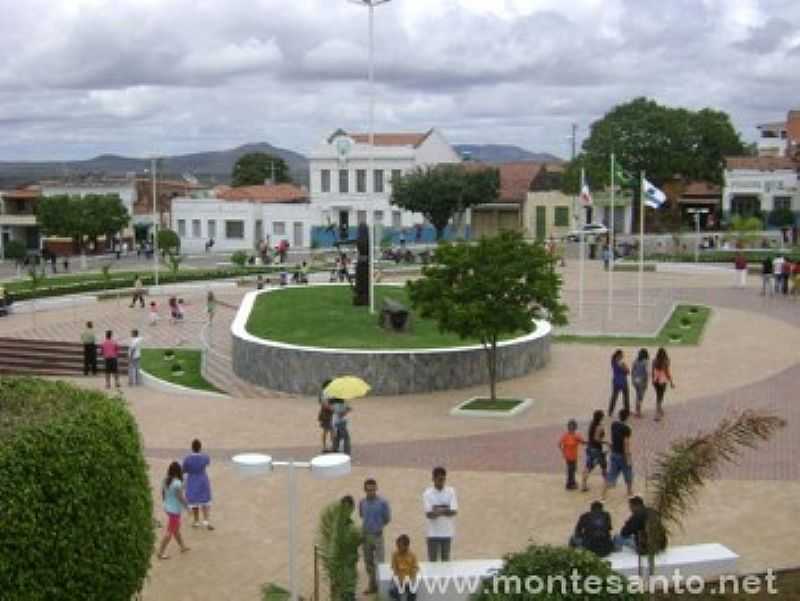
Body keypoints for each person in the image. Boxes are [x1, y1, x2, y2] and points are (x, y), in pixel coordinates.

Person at [359, 478, 392, 594]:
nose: (371, 492)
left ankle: (380, 587)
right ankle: (372, 585)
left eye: (373, 490)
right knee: (368, 563)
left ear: (376, 489)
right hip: (366, 536)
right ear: (364, 490)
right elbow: (361, 515)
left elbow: (387, 519)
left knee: (380, 563)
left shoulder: (383, 503)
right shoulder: (362, 502)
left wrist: (378, 526)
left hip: (378, 536)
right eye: (368, 490)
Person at [423, 466, 458, 562]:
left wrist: (437, 509)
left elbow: (453, 511)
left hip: (447, 533)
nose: (441, 482)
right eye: (439, 479)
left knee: (446, 562)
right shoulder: (427, 493)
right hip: (432, 533)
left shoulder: (451, 491)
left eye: (443, 479)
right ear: (433, 479)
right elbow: (429, 514)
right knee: (432, 562)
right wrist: (445, 508)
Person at [157, 461, 191, 559]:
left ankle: (182, 547)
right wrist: (187, 508)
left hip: (167, 507)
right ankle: (160, 552)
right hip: (175, 510)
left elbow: (166, 492)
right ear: (178, 471)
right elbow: (181, 497)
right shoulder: (177, 483)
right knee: (170, 532)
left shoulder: (166, 480)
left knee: (175, 529)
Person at [182, 439, 214, 530]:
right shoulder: (205, 457)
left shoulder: (187, 459)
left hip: (192, 480)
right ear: (200, 447)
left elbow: (183, 470)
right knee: (205, 501)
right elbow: (208, 463)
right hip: (203, 480)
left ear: (192, 448)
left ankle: (196, 521)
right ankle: (206, 521)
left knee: (194, 502)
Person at [602, 409, 633, 499]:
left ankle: (603, 494)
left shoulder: (614, 424)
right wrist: (628, 459)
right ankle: (629, 491)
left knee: (611, 474)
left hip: (614, 453)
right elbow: (626, 444)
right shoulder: (627, 429)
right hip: (622, 455)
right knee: (628, 472)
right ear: (627, 417)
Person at [581, 410, 607, 492]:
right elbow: (597, 439)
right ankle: (607, 482)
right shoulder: (599, 427)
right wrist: (606, 442)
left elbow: (591, 437)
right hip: (597, 449)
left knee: (588, 466)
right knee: (603, 465)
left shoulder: (592, 424)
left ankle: (583, 485)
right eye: (602, 416)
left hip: (590, 447)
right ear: (600, 417)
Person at [390, 534, 419, 601]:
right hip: (399, 579)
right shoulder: (395, 554)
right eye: (397, 545)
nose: (398, 547)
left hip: (409, 579)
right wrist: (397, 577)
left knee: (413, 593)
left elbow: (415, 568)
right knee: (392, 591)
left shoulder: (412, 555)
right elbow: (394, 567)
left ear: (406, 546)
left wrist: (410, 578)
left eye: (400, 546)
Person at [558, 419, 584, 490]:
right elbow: (583, 442)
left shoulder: (567, 435)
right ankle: (570, 484)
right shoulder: (575, 436)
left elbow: (559, 444)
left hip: (570, 456)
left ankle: (572, 482)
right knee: (571, 470)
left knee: (572, 469)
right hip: (571, 457)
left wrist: (563, 451)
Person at [651, 347, 675, 421]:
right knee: (660, 397)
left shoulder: (654, 361)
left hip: (656, 381)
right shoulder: (666, 361)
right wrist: (671, 382)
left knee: (658, 395)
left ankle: (660, 409)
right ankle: (657, 414)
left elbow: (652, 371)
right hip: (662, 381)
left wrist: (652, 379)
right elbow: (668, 373)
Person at [608, 349, 630, 416]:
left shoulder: (613, 362)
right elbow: (627, 371)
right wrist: (625, 366)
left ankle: (610, 411)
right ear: (619, 355)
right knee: (625, 397)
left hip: (616, 381)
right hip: (623, 381)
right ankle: (627, 410)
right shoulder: (621, 363)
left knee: (614, 397)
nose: (622, 356)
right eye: (621, 355)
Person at [631, 348, 650, 418]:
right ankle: (638, 412)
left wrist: (632, 380)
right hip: (642, 381)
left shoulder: (635, 361)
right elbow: (647, 373)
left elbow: (632, 371)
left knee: (637, 396)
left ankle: (637, 411)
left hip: (635, 380)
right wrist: (646, 382)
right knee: (640, 397)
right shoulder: (646, 362)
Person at [318, 379, 334, 452]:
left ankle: (331, 445)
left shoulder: (327, 392)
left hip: (328, 413)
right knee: (327, 430)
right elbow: (324, 404)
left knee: (330, 430)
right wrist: (331, 408)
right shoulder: (325, 393)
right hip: (326, 414)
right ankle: (325, 446)